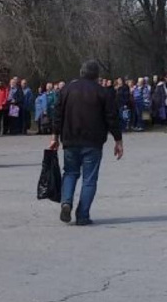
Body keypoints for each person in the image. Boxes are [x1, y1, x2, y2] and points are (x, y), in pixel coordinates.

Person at [50, 60, 123, 226]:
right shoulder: (103, 92)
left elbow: (57, 114)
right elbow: (112, 118)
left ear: (81, 72)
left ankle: (66, 202)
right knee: (89, 179)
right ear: (97, 75)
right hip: (93, 141)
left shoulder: (66, 89)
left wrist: (54, 136)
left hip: (70, 138)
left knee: (69, 173)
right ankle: (82, 215)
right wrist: (118, 140)